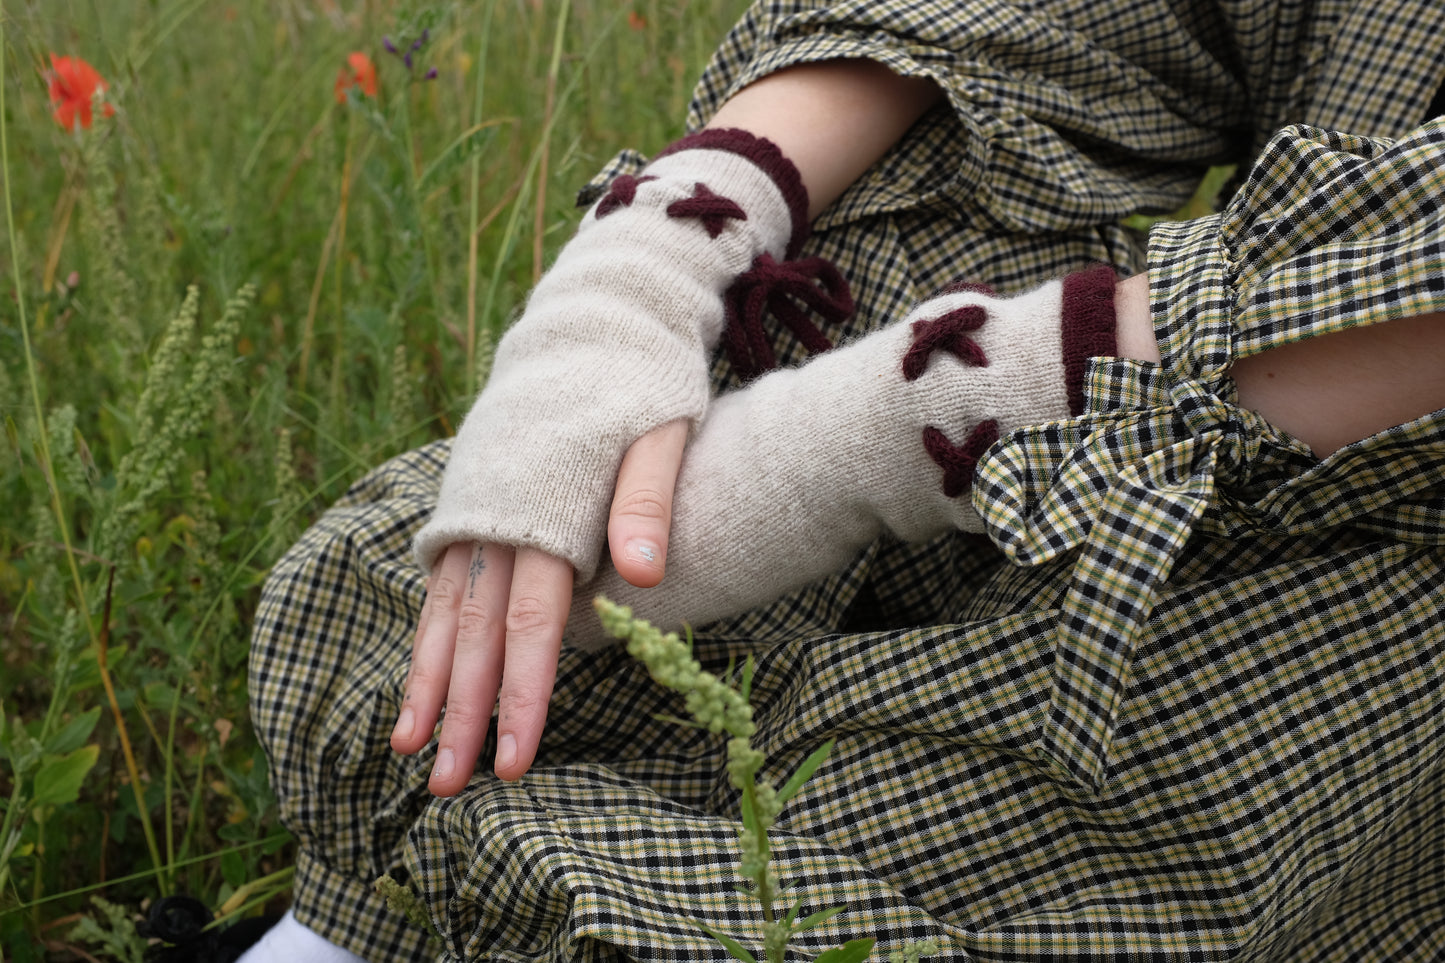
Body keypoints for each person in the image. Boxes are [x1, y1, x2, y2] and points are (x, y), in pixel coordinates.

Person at [243, 0, 1445, 959]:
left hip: (1368, 488)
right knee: (832, 229)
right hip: (1208, 350)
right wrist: (647, 257)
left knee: (1005, 820)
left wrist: (891, 427)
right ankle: (375, 921)